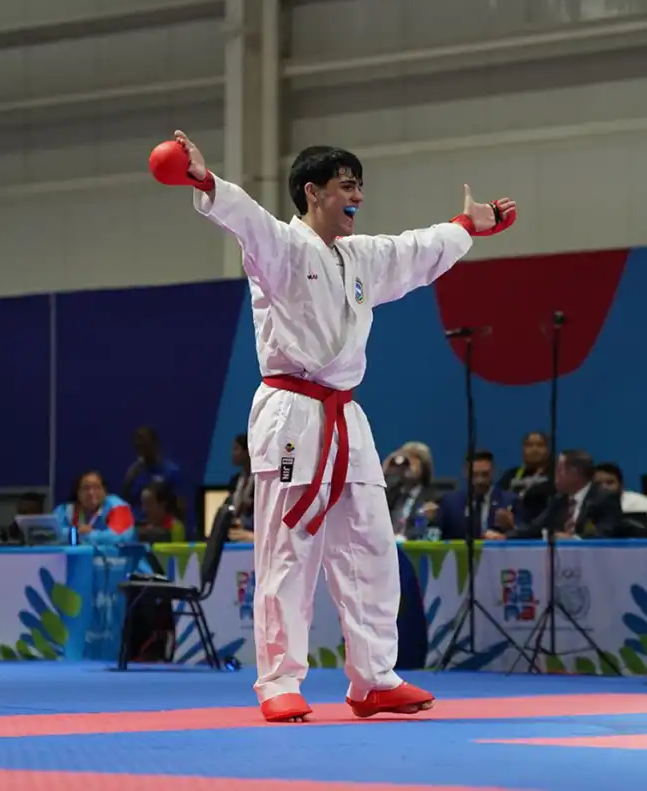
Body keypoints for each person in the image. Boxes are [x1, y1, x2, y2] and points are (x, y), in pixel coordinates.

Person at [165, 129, 516, 722]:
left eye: (360, 186)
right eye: (347, 185)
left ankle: (374, 678)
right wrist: (204, 179)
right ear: (313, 192)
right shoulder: (280, 246)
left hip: (346, 416)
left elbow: (415, 250)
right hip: (291, 413)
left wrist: (467, 226)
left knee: (372, 547)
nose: (358, 196)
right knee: (287, 551)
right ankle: (279, 680)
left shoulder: (361, 258)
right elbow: (245, 217)